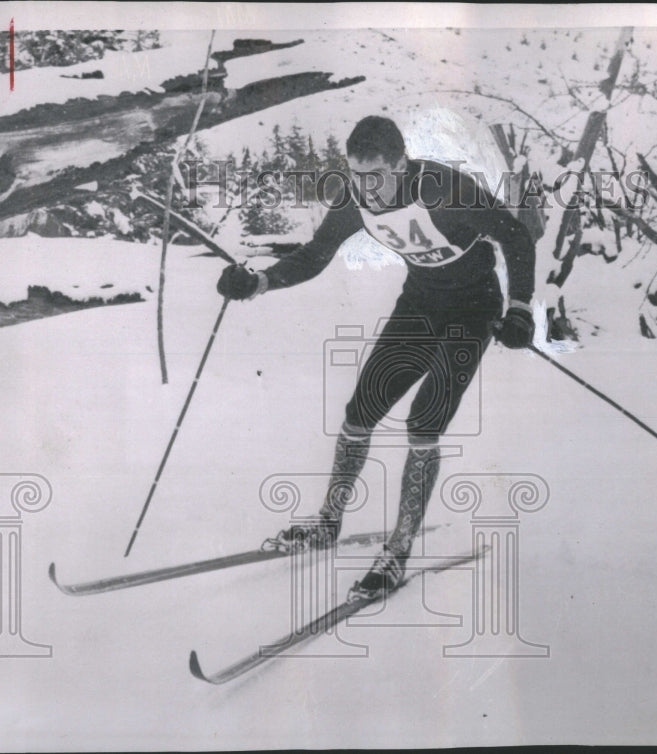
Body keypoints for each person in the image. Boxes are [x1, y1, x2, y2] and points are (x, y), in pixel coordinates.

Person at [217, 115, 535, 600]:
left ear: (401, 165)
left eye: (375, 176)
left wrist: (519, 310)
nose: (366, 189)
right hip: (421, 305)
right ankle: (328, 520)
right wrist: (258, 282)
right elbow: (315, 254)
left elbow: (515, 237)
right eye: (356, 175)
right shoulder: (355, 200)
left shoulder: (445, 190)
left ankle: (398, 550)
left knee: (423, 424)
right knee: (360, 411)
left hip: (473, 311)